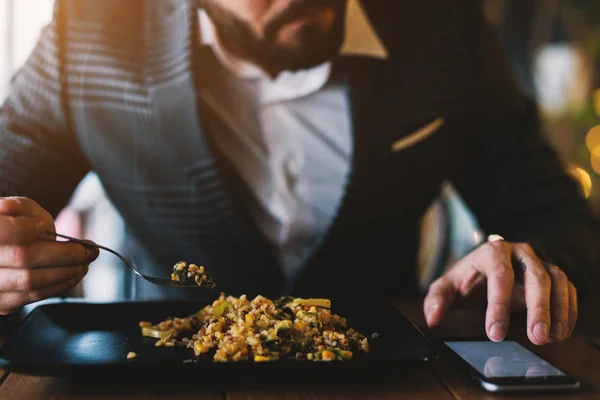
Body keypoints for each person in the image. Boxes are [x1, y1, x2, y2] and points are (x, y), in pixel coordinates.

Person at [0, 0, 597, 347]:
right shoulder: (89, 33)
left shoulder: (444, 30)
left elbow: (566, 228)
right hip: (162, 370)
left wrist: (520, 265)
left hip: (388, 372)